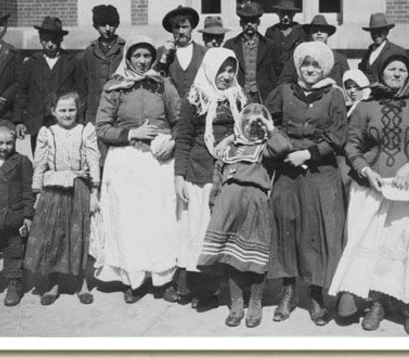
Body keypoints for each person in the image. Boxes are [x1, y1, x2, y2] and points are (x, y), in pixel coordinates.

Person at [329, 48, 409, 336]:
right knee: (376, 246)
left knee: (405, 244)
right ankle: (376, 303)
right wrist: (366, 171)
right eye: (392, 69)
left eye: (403, 70)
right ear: (381, 72)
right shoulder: (366, 106)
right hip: (374, 187)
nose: (397, 73)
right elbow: (351, 145)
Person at [265, 41, 347, 326]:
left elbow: (338, 136)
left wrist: (309, 153)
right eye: (305, 64)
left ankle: (315, 294)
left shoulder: (334, 95)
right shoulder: (284, 92)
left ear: (324, 67)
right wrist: (284, 150)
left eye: (316, 65)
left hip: (320, 173)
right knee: (286, 225)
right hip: (287, 171)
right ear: (298, 66)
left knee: (315, 231)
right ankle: (288, 292)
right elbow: (267, 124)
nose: (310, 70)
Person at [93, 36, 180, 303]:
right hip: (126, 162)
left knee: (159, 221)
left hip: (158, 162)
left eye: (147, 56)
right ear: (128, 57)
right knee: (130, 222)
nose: (142, 61)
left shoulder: (162, 84)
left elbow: (180, 119)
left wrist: (173, 142)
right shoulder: (115, 87)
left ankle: (163, 279)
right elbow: (102, 127)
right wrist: (132, 133)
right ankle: (134, 280)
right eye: (137, 56)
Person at [197, 104, 292, 328]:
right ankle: (236, 303)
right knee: (230, 256)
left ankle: (256, 302)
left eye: (258, 123)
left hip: (255, 204)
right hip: (227, 206)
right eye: (248, 123)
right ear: (239, 124)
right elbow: (218, 176)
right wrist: (214, 203)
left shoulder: (266, 149)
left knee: (256, 256)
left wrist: (269, 128)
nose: (253, 128)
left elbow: (284, 147)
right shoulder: (229, 149)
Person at [170, 47, 247, 309]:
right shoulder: (194, 99)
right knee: (200, 231)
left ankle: (223, 287)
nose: (226, 76)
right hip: (200, 175)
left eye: (231, 70)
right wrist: (179, 176)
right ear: (210, 69)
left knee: (224, 232)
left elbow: (248, 132)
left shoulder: (238, 98)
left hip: (230, 173)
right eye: (222, 70)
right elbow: (182, 139)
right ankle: (200, 290)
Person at [24, 91, 100, 306]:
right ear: (53, 111)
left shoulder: (86, 130)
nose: (67, 114)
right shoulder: (47, 132)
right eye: (62, 110)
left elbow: (93, 161)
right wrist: (37, 193)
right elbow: (39, 164)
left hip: (79, 188)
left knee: (79, 236)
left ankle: (81, 284)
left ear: (78, 110)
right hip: (54, 189)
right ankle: (53, 285)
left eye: (71, 110)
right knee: (53, 237)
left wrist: (95, 192)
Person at [13, 16, 84, 153]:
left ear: (61, 39)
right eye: (46, 39)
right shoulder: (30, 64)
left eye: (54, 39)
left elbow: (81, 93)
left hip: (64, 123)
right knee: (40, 162)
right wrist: (19, 120)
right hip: (37, 124)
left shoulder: (73, 62)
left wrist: (80, 121)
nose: (50, 44)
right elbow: (22, 94)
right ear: (40, 39)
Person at [79, 5, 125, 165]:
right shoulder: (89, 52)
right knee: (96, 156)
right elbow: (83, 85)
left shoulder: (124, 49)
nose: (107, 29)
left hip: (118, 110)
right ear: (95, 26)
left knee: (118, 154)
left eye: (111, 24)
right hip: (94, 111)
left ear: (117, 25)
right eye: (102, 25)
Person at [0, 120, 34, 306]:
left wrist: (28, 217)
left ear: (15, 142)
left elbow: (28, 190)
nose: (4, 147)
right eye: (0, 143)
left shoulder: (21, 161)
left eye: (8, 143)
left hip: (13, 216)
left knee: (13, 252)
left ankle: (14, 284)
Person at [223, 0, 283, 104]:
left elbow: (278, 71)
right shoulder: (230, 45)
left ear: (258, 22)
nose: (249, 25)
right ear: (241, 23)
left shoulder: (270, 45)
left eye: (253, 21)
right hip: (238, 95)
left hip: (263, 96)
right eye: (246, 22)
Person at [279, 14, 349, 87]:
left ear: (328, 34)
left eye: (323, 30)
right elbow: (285, 81)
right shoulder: (299, 56)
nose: (319, 33)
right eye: (315, 31)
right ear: (309, 34)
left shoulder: (339, 59)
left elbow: (348, 83)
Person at [155, 5, 206, 98]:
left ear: (192, 28)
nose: (181, 31)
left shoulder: (204, 52)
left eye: (185, 27)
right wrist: (163, 59)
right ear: (172, 30)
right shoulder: (160, 52)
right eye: (177, 27)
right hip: (171, 108)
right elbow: (153, 82)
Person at [358, 12, 406, 83]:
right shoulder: (368, 52)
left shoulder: (396, 51)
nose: (376, 34)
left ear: (387, 32)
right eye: (373, 31)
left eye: (380, 31)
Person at [265, 0, 307, 69]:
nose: (286, 17)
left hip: (295, 71)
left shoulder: (301, 31)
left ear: (294, 14)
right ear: (277, 13)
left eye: (289, 13)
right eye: (283, 13)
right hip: (276, 73)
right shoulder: (271, 31)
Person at [0, 12, 23, 121]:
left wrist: (5, 98)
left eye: (1, 25)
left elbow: (19, 80)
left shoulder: (13, 53)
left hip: (4, 112)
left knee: (6, 137)